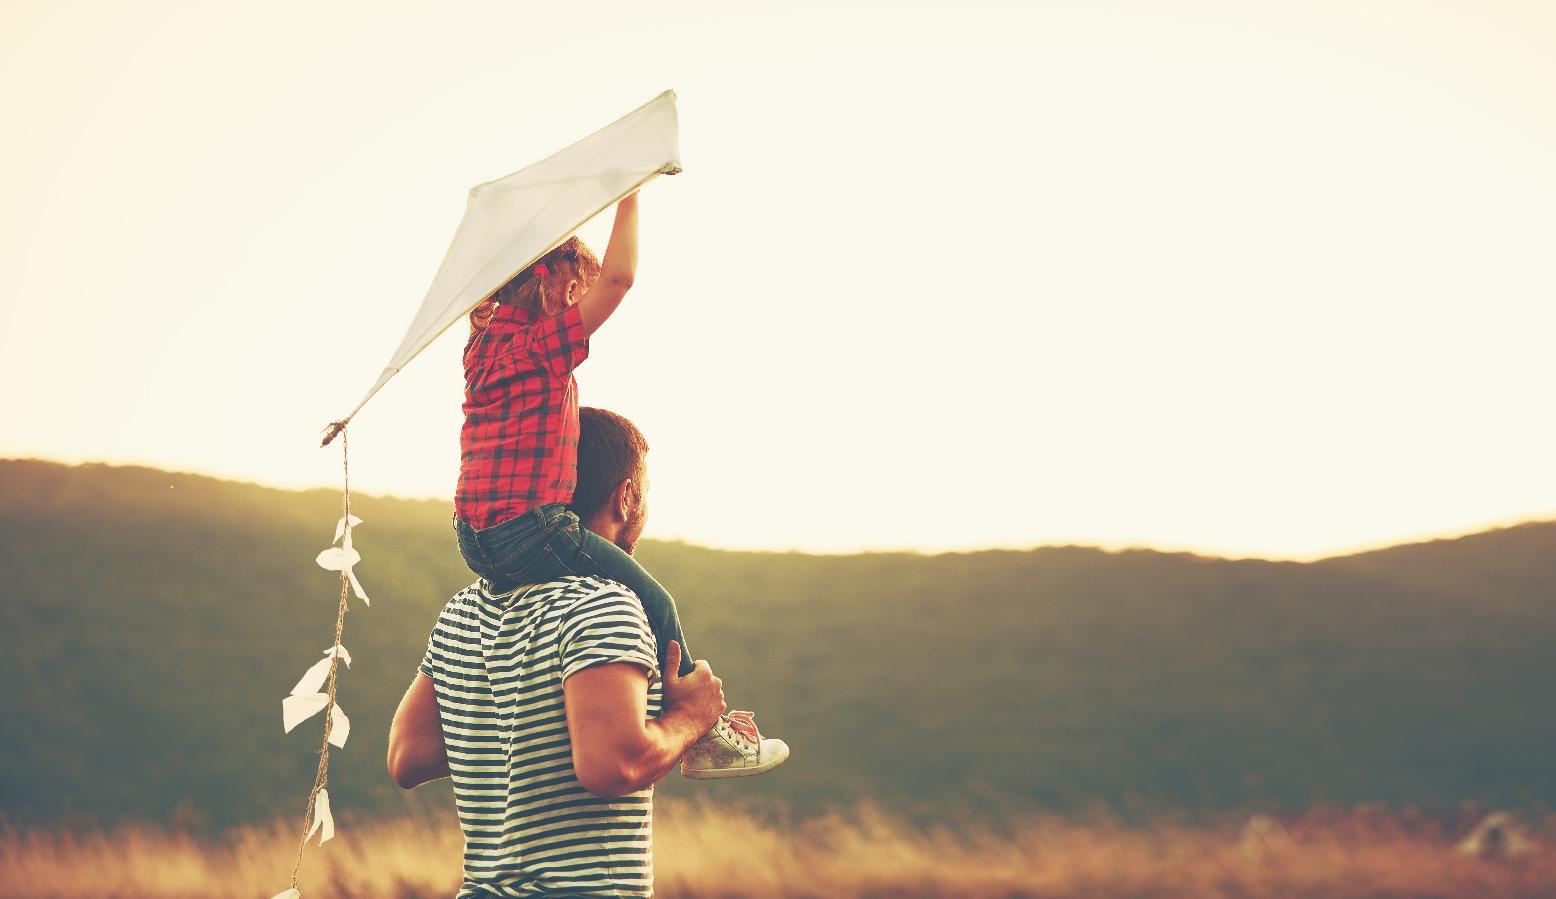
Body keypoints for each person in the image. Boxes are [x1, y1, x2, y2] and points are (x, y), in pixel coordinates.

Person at [388, 408, 789, 898]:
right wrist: (690, 718)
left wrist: (526, 726)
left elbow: (408, 758)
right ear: (625, 497)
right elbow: (611, 767)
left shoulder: (462, 611)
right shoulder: (603, 602)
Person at [453, 192, 785, 775]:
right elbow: (620, 280)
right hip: (533, 530)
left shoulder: (480, 348)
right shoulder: (538, 347)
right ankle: (703, 731)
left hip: (473, 538)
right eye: (576, 290)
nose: (583, 302)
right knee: (654, 601)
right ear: (550, 281)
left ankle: (625, 703)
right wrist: (629, 194)